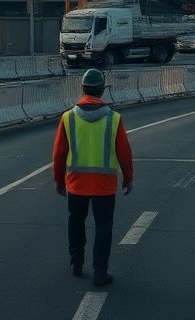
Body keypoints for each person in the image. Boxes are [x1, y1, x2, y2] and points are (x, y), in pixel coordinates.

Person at [52, 68, 134, 287]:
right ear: (101, 90)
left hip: (76, 183)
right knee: (103, 226)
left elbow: (59, 152)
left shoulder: (68, 117)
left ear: (83, 89)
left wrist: (59, 180)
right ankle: (100, 271)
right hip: (104, 185)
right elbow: (124, 153)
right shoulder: (114, 119)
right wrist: (128, 178)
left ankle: (76, 263)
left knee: (75, 222)